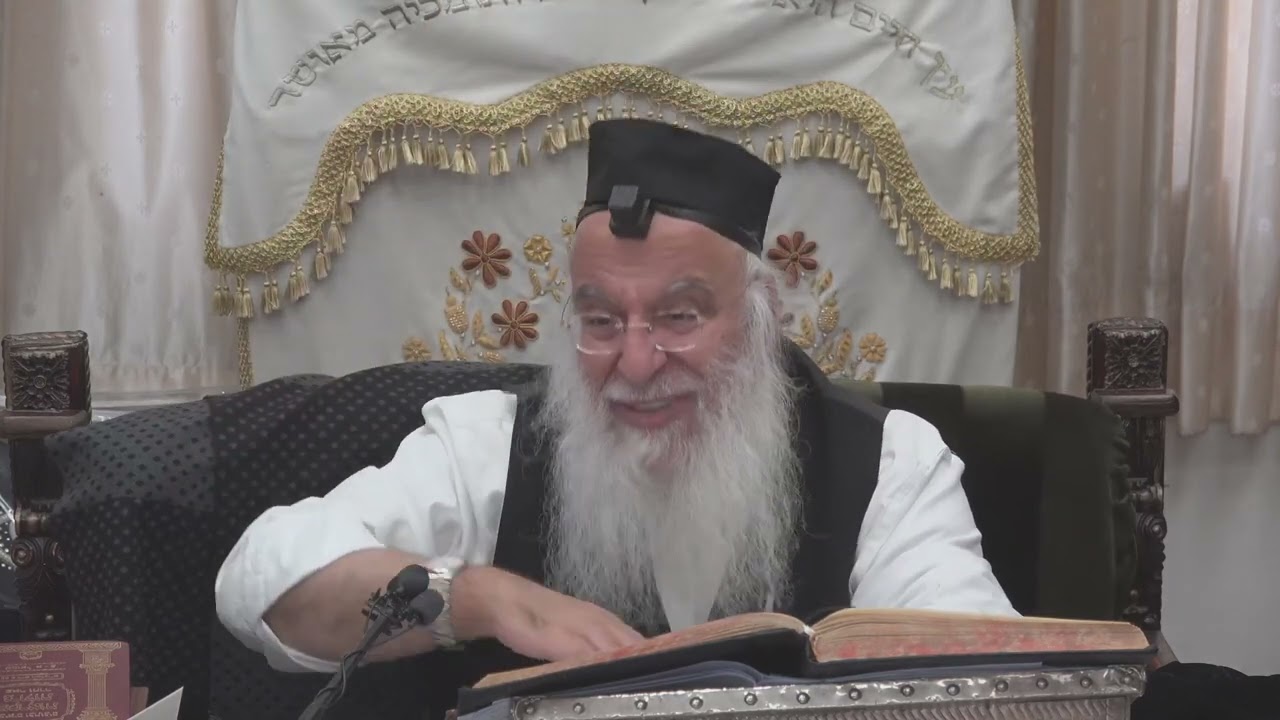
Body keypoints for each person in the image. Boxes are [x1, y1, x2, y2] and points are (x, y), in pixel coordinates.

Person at [214, 118, 1015, 687]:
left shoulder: (887, 463)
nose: (635, 364)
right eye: (601, 322)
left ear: (763, 316)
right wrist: (475, 597)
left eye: (680, 317)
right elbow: (261, 582)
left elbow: (990, 678)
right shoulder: (490, 445)